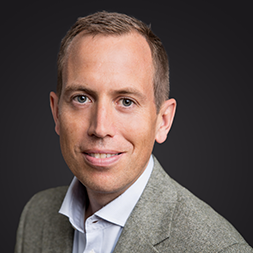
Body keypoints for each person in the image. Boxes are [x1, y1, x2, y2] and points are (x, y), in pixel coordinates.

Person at [15, 11, 253, 253]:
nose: (100, 128)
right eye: (82, 98)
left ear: (163, 120)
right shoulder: (36, 215)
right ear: (57, 113)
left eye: (126, 101)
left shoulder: (219, 248)